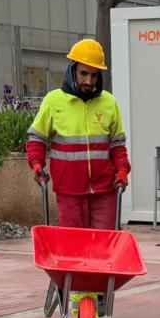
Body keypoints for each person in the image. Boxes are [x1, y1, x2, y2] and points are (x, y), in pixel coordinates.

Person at [27, 39, 130, 228]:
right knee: (74, 243)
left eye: (94, 75)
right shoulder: (53, 101)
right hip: (69, 192)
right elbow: (36, 139)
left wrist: (122, 170)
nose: (89, 81)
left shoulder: (109, 103)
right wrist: (36, 164)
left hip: (105, 191)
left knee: (103, 243)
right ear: (72, 69)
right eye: (83, 73)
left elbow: (117, 145)